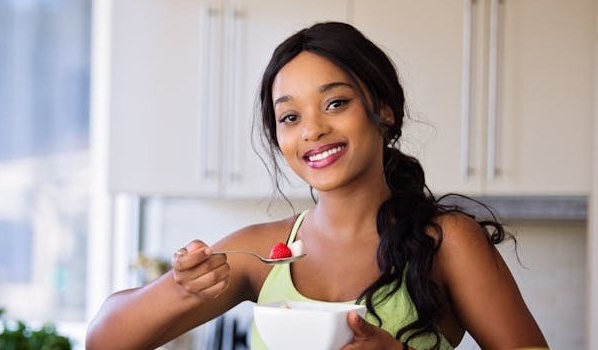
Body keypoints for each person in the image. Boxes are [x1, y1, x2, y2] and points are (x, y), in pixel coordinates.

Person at [85, 22, 548, 350]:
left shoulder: (446, 242)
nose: (312, 130)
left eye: (335, 102)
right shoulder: (266, 253)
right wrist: (181, 290)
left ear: (383, 109)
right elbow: (104, 340)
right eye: (290, 116)